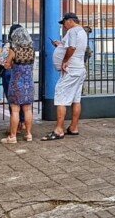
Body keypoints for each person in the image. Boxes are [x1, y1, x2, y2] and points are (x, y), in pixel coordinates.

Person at [42, 13, 88, 141]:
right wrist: (60, 45)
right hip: (79, 68)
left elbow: (72, 48)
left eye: (64, 23)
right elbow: (72, 46)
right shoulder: (82, 31)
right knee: (76, 99)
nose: (64, 26)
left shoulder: (73, 31)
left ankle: (59, 129)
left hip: (71, 70)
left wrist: (64, 61)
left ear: (69, 21)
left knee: (61, 97)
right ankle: (73, 127)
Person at [1, 27, 35, 144]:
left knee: (15, 110)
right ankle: (29, 134)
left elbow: (7, 65)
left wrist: (8, 64)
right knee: (28, 109)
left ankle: (13, 136)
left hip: (16, 82)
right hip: (29, 83)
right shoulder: (31, 50)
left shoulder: (13, 50)